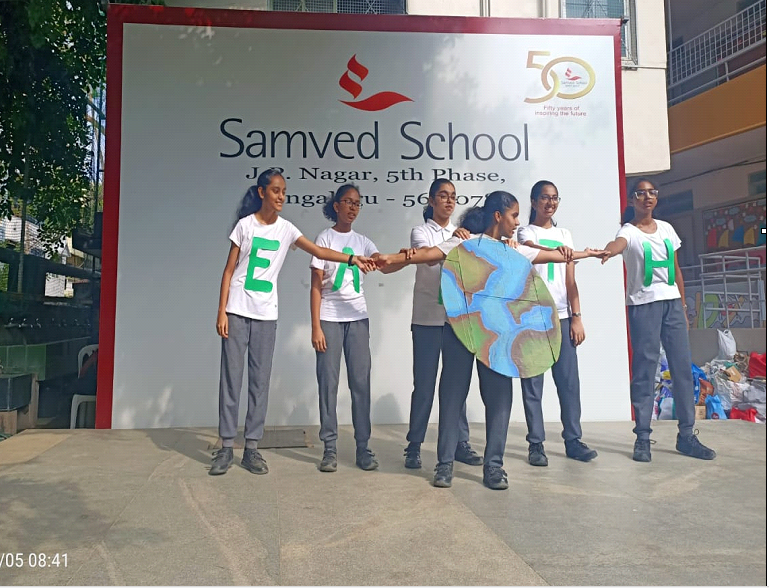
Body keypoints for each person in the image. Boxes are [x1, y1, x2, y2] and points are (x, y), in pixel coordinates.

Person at [377, 191, 607, 490]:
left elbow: (554, 256)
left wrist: (587, 254)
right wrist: (392, 258)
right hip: (460, 332)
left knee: (499, 400)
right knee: (452, 396)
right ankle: (444, 465)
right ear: (498, 216)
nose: (517, 222)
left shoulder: (514, 250)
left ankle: (494, 467)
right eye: (514, 215)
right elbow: (427, 254)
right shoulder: (464, 244)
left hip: (498, 337)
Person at [212, 168, 375, 477]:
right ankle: (225, 447)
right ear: (262, 192)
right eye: (276, 191)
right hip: (237, 310)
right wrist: (222, 311)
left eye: (284, 192)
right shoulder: (245, 226)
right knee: (231, 380)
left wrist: (351, 259)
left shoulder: (286, 229)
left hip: (266, 314)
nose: (281, 196)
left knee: (259, 383)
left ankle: (251, 448)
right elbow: (229, 270)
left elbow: (319, 251)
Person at [602, 178, 716, 463]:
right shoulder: (628, 231)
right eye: (641, 193)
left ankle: (686, 435)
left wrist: (683, 306)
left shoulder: (666, 228)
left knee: (682, 369)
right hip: (644, 306)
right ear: (632, 200)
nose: (647, 197)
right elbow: (618, 244)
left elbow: (676, 270)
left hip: (672, 304)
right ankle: (642, 436)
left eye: (652, 192)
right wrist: (608, 251)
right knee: (645, 370)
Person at [401, 178, 481, 471]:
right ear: (432, 200)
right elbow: (430, 259)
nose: (449, 201)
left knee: (456, 386)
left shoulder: (462, 233)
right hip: (427, 318)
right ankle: (414, 445)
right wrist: (455, 241)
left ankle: (460, 442)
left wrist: (462, 239)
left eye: (453, 197)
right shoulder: (421, 231)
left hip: (456, 320)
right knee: (424, 385)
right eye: (443, 196)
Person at [517, 180, 598, 466]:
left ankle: (573, 440)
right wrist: (566, 252)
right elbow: (529, 249)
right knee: (533, 384)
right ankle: (536, 444)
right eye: (544, 198)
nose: (550, 203)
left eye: (555, 198)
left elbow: (570, 280)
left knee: (568, 382)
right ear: (533, 201)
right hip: (533, 316)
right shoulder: (525, 232)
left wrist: (577, 317)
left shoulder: (565, 234)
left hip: (562, 317)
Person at [310, 184, 380, 473]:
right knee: (328, 383)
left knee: (361, 383)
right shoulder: (324, 238)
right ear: (336, 206)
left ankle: (363, 447)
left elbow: (382, 263)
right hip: (329, 318)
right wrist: (316, 326)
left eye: (357, 203)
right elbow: (316, 286)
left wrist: (404, 257)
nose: (353, 208)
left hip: (358, 319)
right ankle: (329, 448)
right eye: (348, 202)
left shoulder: (363, 241)